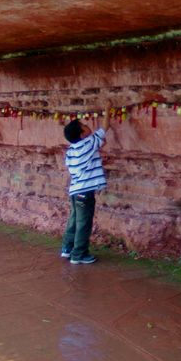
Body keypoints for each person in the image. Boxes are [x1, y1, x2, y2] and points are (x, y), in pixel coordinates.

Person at [60, 111, 110, 264]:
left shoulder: (71, 150)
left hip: (75, 191)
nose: (88, 125)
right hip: (85, 193)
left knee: (74, 220)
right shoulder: (88, 144)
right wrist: (108, 110)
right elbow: (104, 128)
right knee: (84, 223)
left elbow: (101, 141)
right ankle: (79, 254)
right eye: (84, 126)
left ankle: (67, 249)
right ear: (82, 134)